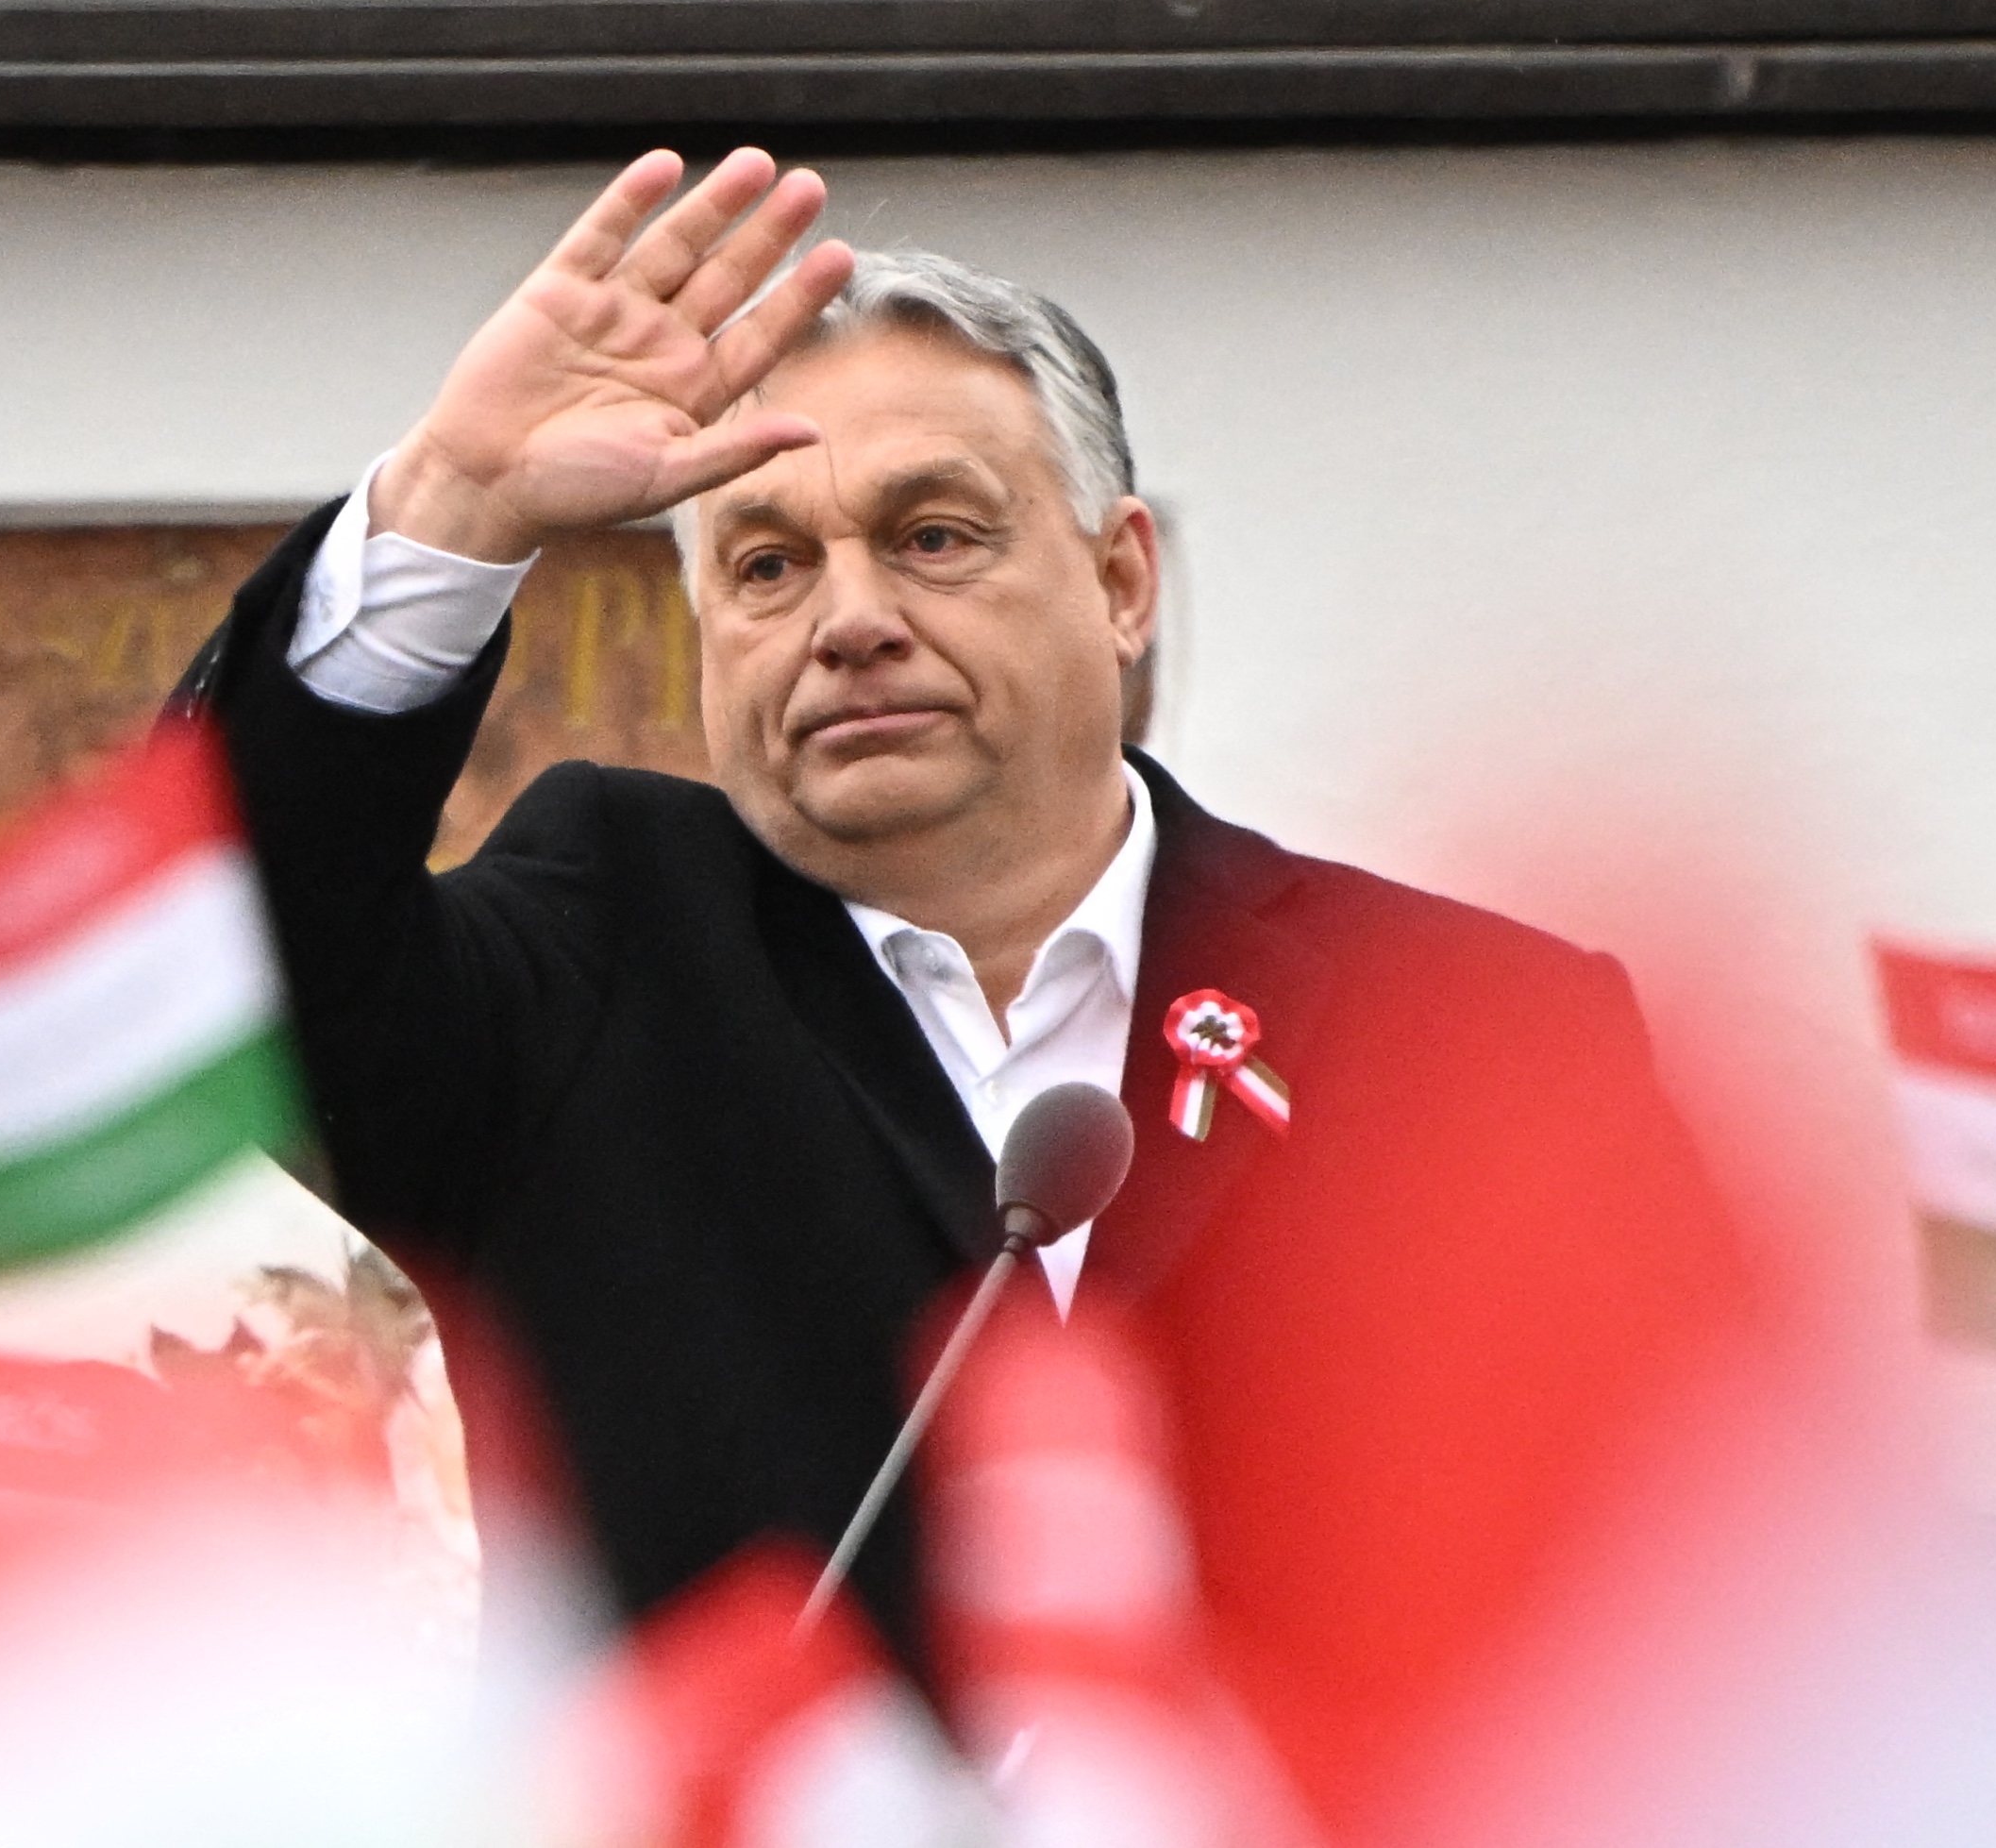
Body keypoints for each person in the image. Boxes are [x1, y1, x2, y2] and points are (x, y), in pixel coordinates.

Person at [180, 150, 1740, 1803]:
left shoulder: (1473, 1031)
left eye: (930, 536)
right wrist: (451, 505)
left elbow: (1727, 1597)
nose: (847, 618)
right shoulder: (607, 941)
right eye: (766, 564)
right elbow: (229, 970)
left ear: (1120, 581)